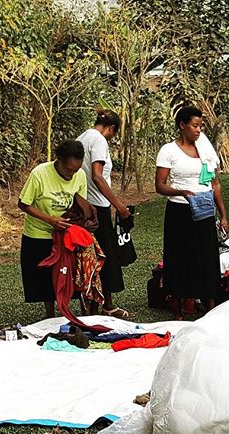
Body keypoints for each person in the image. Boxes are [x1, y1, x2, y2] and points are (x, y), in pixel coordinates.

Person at [155, 106, 229, 319]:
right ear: (182, 126)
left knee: (207, 256)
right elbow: (160, 185)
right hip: (180, 209)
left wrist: (222, 215)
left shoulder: (205, 150)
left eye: (200, 126)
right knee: (179, 256)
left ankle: (210, 304)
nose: (199, 130)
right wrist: (182, 192)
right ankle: (179, 307)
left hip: (205, 208)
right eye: (194, 126)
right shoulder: (169, 150)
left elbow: (215, 184)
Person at [18, 140, 87, 319]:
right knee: (44, 279)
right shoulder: (40, 174)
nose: (72, 174)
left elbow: (81, 204)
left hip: (65, 234)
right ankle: (49, 314)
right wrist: (50, 220)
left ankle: (79, 311)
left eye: (76, 170)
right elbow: (23, 203)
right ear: (59, 160)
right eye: (68, 169)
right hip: (38, 233)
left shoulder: (80, 176)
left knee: (71, 273)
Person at [77, 109, 131, 318]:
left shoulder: (82, 137)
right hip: (97, 206)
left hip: (83, 205)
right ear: (112, 129)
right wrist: (118, 205)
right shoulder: (99, 140)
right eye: (113, 134)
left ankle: (91, 304)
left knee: (89, 256)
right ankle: (106, 305)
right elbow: (98, 176)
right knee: (105, 256)